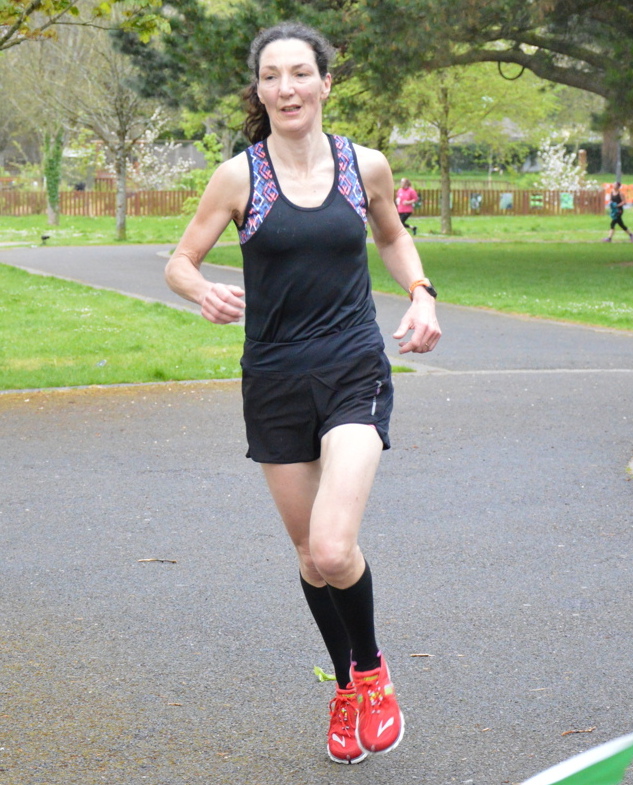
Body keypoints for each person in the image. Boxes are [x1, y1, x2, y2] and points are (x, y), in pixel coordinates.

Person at [165, 21, 441, 765]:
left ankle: (373, 674)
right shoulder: (239, 177)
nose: (285, 88)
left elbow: (391, 236)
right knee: (310, 558)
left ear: (325, 82)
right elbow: (181, 260)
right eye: (270, 76)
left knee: (332, 544)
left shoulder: (364, 166)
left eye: (298, 73)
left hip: (353, 368)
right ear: (258, 90)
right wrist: (200, 289)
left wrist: (420, 290)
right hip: (274, 379)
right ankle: (345, 687)